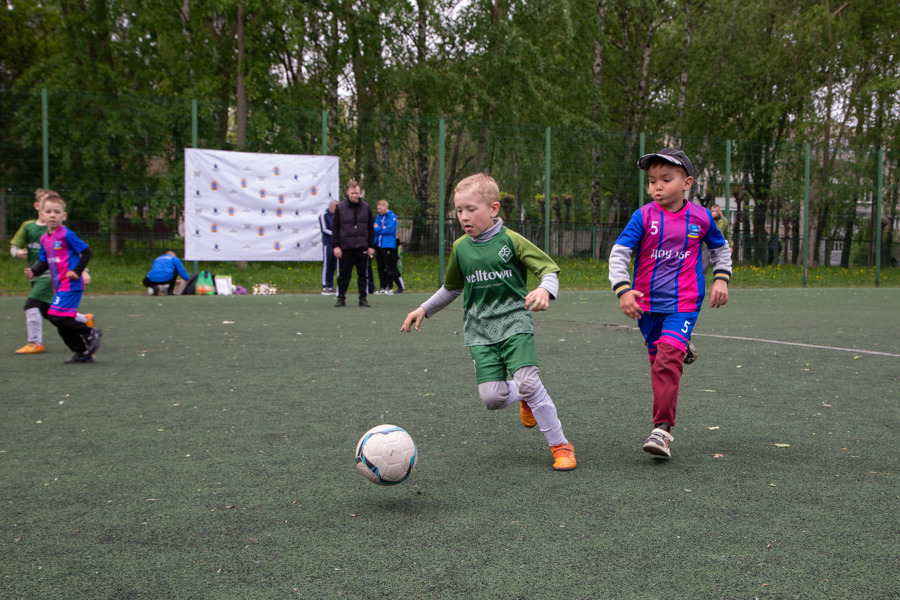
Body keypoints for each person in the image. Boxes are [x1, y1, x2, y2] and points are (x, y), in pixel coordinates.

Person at [401, 173, 576, 471]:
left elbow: (548, 270)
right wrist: (423, 309)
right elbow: (453, 288)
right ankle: (524, 394)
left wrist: (545, 289)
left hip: (515, 323)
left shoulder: (511, 240)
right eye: (459, 210)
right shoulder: (460, 248)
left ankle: (561, 446)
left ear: (494, 209)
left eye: (472, 209)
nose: (464, 217)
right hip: (479, 330)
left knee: (530, 381)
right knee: (493, 399)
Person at [609, 148, 731, 458]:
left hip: (685, 303)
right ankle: (679, 345)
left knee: (665, 363)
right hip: (646, 307)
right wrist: (623, 290)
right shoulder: (643, 216)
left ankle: (662, 431)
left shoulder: (701, 217)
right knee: (658, 363)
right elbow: (619, 254)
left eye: (666, 179)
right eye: (651, 181)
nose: (656, 187)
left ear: (687, 182)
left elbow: (720, 250)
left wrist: (721, 278)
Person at [11, 188, 94, 355]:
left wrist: (79, 271)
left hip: (70, 284)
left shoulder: (66, 234)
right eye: (48, 211)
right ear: (41, 212)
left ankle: (89, 332)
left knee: (52, 315)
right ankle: (82, 352)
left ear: (63, 215)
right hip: (58, 284)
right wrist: (33, 272)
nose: (52, 215)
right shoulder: (43, 237)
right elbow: (44, 261)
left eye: (56, 211)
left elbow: (86, 251)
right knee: (59, 320)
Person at [332, 179, 375, 307]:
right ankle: (341, 298)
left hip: (361, 246)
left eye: (357, 193)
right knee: (343, 275)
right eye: (352, 193)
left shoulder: (366, 207)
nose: (355, 195)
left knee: (363, 275)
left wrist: (371, 246)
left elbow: (370, 228)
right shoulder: (340, 207)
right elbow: (335, 228)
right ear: (347, 192)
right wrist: (336, 246)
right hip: (346, 247)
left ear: (359, 193)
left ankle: (363, 298)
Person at [373, 199, 402, 294]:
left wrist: (380, 229)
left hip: (388, 245)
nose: (379, 210)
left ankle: (390, 287)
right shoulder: (379, 218)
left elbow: (389, 229)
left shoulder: (392, 217)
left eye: (380, 208)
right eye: (377, 208)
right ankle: (382, 287)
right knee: (380, 267)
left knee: (388, 267)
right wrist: (381, 227)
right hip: (379, 244)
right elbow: (374, 229)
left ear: (385, 207)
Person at [319, 199, 338, 295]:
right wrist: (335, 234)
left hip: (336, 244)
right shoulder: (324, 215)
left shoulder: (337, 216)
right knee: (327, 264)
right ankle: (324, 285)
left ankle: (330, 285)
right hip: (328, 243)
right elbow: (324, 229)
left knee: (333, 264)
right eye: (336, 207)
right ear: (331, 206)